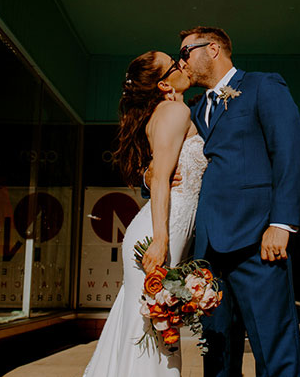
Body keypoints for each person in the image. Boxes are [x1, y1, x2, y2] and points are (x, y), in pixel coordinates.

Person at [178, 26, 300, 377]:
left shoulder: (263, 86)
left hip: (257, 242)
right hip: (209, 252)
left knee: (274, 349)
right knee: (216, 353)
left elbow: (289, 152)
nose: (182, 61)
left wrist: (281, 223)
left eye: (186, 52)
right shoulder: (194, 109)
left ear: (214, 48)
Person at [83, 50, 207, 377]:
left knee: (150, 324)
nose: (183, 64)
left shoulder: (175, 110)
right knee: (155, 328)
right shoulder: (173, 111)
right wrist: (160, 240)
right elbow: (162, 179)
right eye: (174, 63)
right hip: (159, 231)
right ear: (165, 84)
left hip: (171, 226)